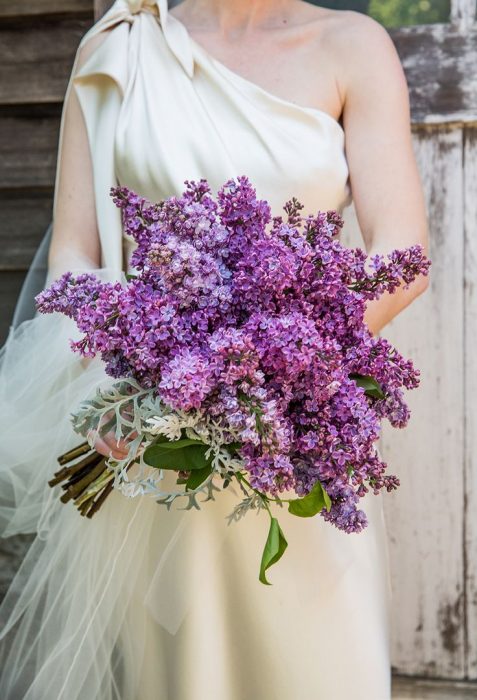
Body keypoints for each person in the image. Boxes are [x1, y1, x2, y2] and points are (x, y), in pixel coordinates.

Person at [0, 0, 429, 698]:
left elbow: (402, 257)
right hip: (150, 447)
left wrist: (266, 367)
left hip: (295, 433)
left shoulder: (353, 46)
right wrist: (138, 383)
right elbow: (76, 250)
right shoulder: (118, 44)